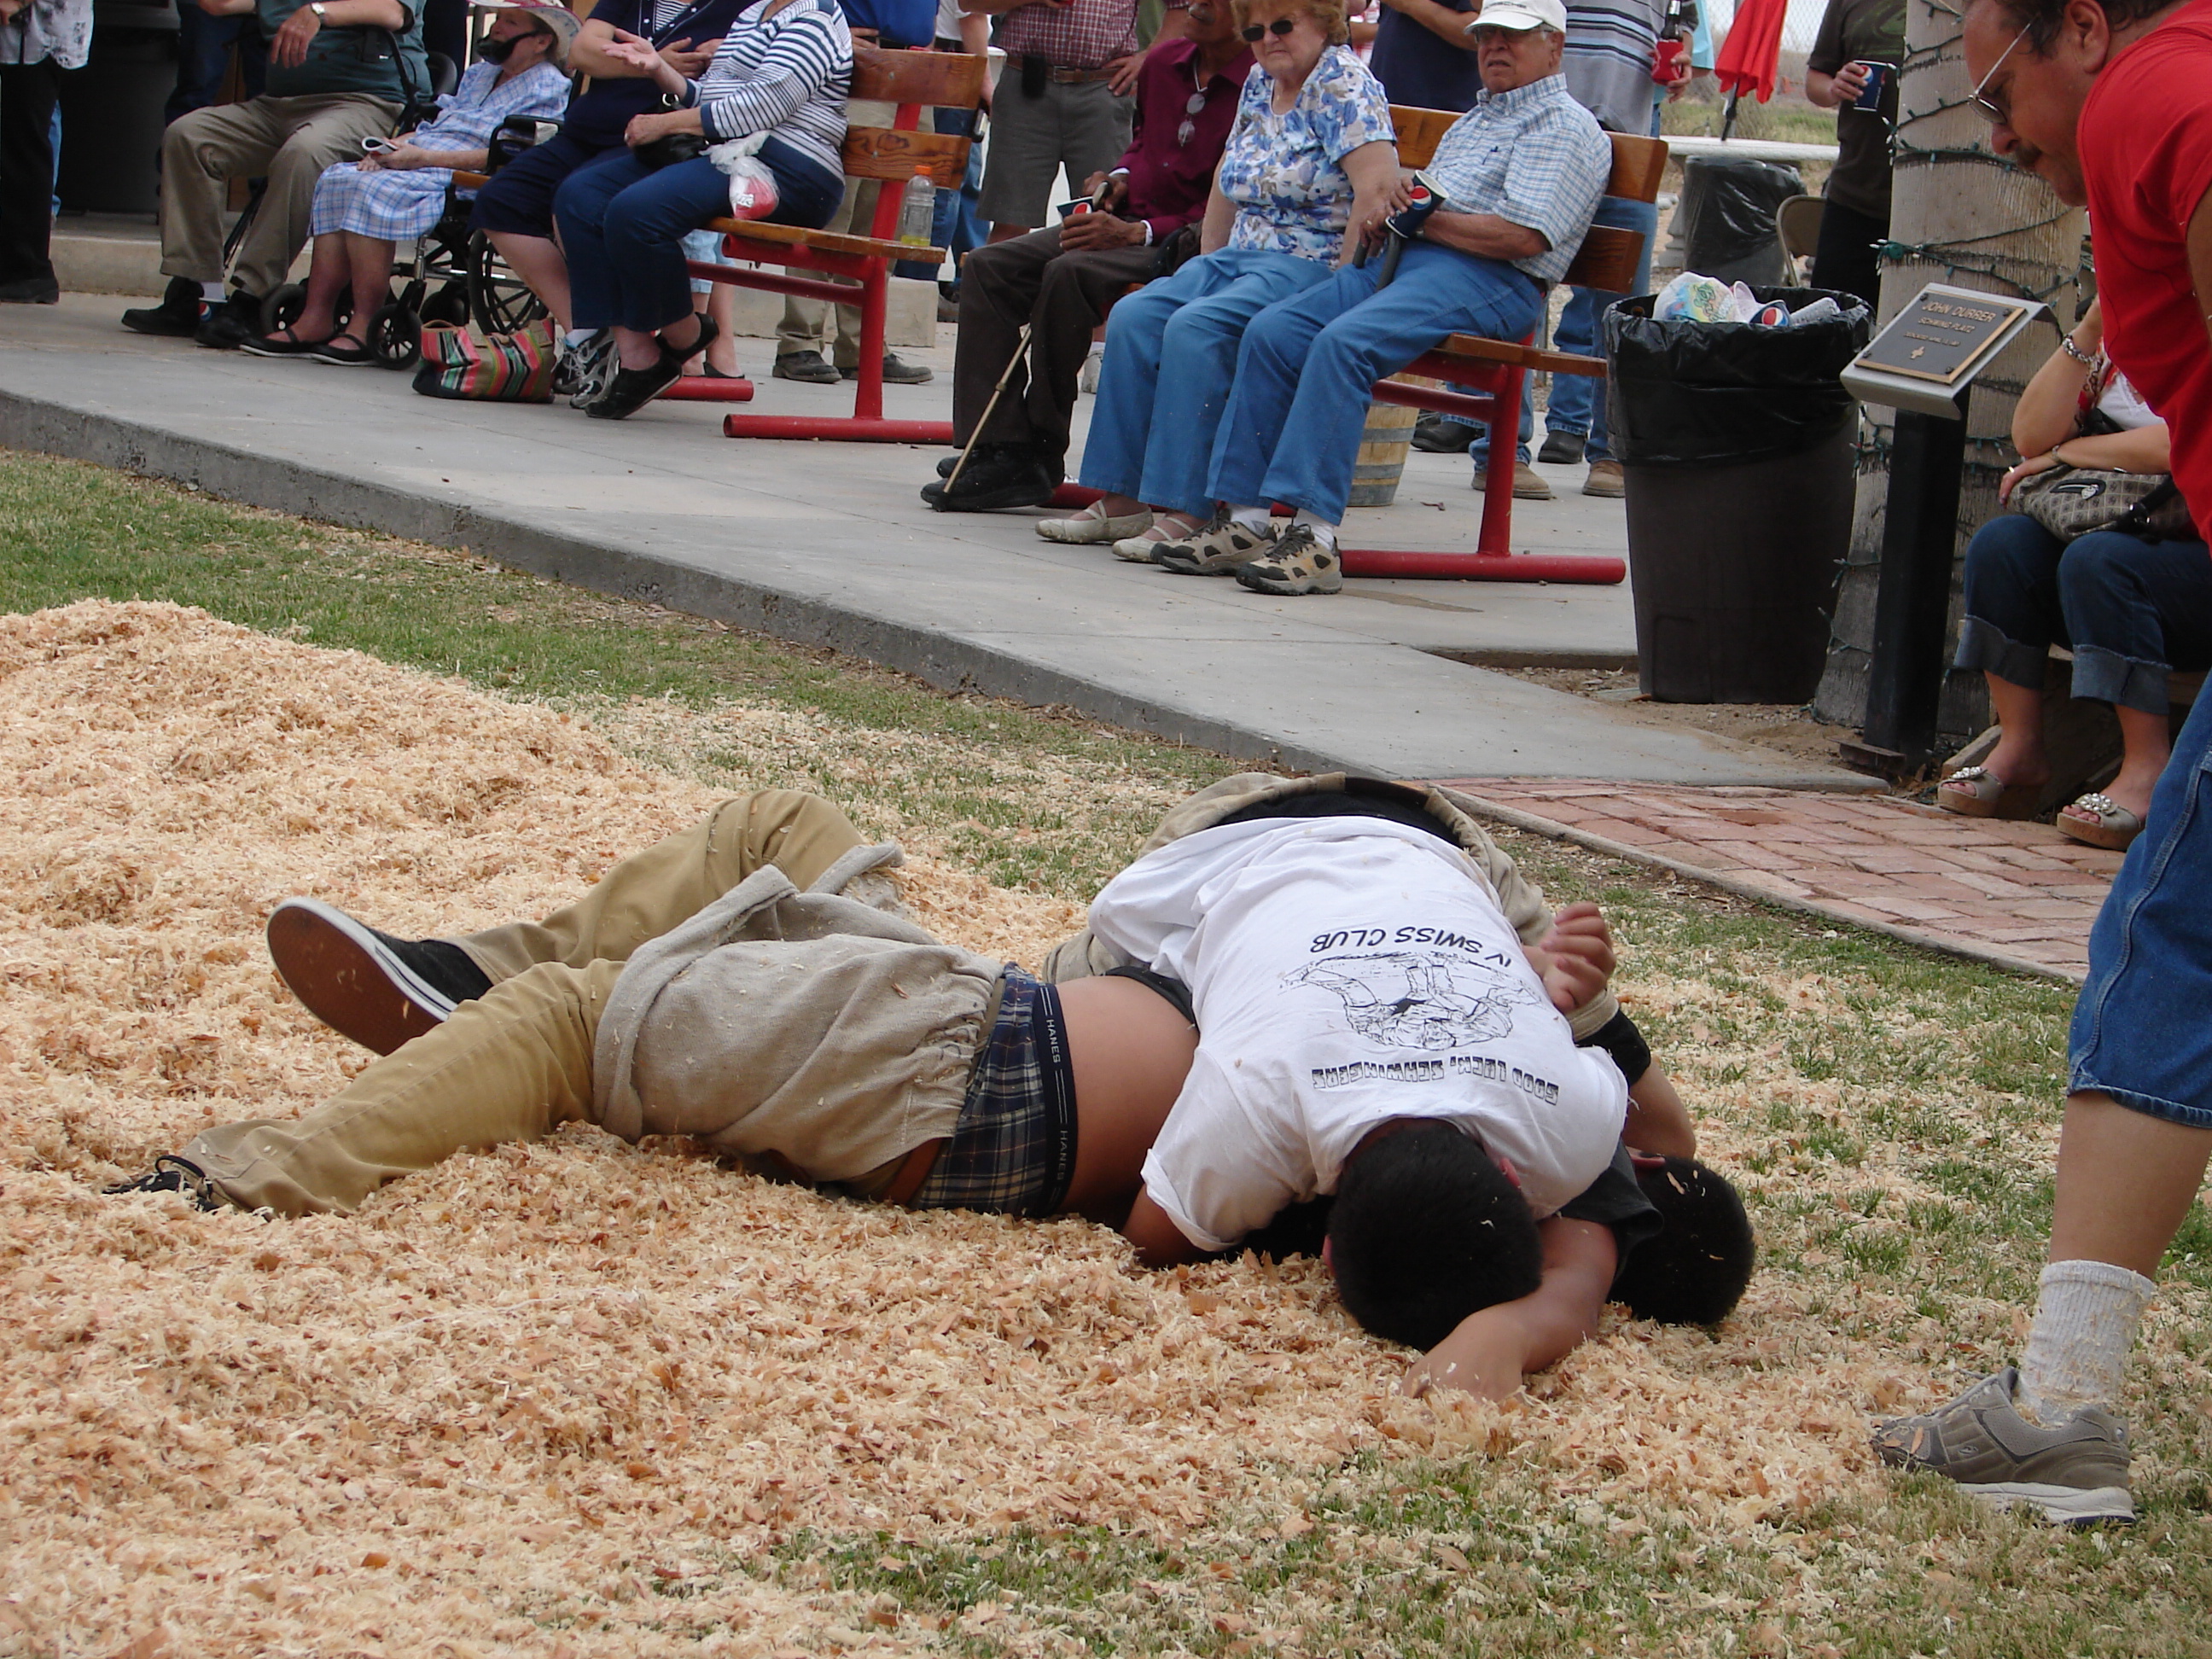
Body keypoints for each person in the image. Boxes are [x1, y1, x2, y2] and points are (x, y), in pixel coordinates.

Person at [109, 777, 1731, 1398]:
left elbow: (1164, 1225)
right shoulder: (1518, 1090)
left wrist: (1560, 1018)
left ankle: (248, 1173)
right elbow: (1613, 1199)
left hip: (959, 1069)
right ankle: (452, 983)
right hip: (980, 1023)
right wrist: (1520, 1319)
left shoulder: (1367, 1051)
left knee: (574, 1025)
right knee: (777, 830)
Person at [1871, 0, 2212, 1527]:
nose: (1997, 135)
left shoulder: (2157, 90)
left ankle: (2064, 1411)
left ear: (2081, 25)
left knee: (2171, 947)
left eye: (2000, 89)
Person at [1131, 0, 1610, 597]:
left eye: (1513, 37)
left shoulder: (1563, 126)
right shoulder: (1479, 117)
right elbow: (1426, 204)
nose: (1494, 48)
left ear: (1555, 46)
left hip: (1490, 278)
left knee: (1344, 344)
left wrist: (1420, 219)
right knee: (1275, 330)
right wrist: (1397, 209)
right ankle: (1246, 520)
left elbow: (1521, 237)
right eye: (1487, 36)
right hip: (1411, 262)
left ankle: (1314, 538)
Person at [1043, 0, 1397, 555]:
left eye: (1283, 26)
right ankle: (1123, 497)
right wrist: (1207, 264)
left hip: (1310, 262)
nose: (1267, 39)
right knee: (1137, 314)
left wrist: (1343, 288)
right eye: (1255, 29)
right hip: (1241, 257)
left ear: (1325, 22)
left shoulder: (1346, 85)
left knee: (1197, 326)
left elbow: (1375, 191)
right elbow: (1226, 182)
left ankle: (1190, 507)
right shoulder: (1260, 80)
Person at [918, 0, 1253, 512]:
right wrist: (1118, 177)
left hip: (1191, 239)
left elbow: (1227, 205)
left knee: (1069, 272)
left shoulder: (1257, 83)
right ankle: (1000, 444)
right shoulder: (1166, 64)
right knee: (990, 265)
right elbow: (1143, 144)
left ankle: (1042, 448)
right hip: (1129, 217)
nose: (1196, 5)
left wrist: (1137, 231)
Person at [1936, 297, 2211, 849]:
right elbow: (2031, 436)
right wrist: (2091, 328)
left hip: (2194, 557)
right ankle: (2021, 747)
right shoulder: (2118, 338)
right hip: (2127, 540)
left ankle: (2147, 770)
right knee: (2002, 546)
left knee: (2099, 560)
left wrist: (2071, 453)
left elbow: (2185, 441)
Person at [550, 0, 850, 420]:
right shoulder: (756, 13)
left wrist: (665, 123)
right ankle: (640, 357)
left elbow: (761, 108)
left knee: (635, 212)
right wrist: (658, 68)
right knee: (581, 195)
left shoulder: (815, 18)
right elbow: (715, 95)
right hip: (731, 152)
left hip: (790, 167)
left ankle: (683, 334)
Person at [242, 0, 573, 364]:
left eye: (510, 22)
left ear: (541, 41)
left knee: (372, 189)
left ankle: (365, 325)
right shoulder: (481, 73)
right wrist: (394, 146)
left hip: (470, 172)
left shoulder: (548, 85)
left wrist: (423, 158)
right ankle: (316, 315)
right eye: (500, 19)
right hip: (426, 152)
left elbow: (517, 154)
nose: (497, 28)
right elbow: (440, 123)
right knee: (339, 178)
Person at [119, 0, 432, 349]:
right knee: (188, 136)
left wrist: (316, 12)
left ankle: (251, 297)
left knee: (304, 152)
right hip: (281, 103)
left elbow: (392, 11)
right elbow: (223, 5)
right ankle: (198, 291)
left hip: (369, 103)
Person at [467, 0, 754, 367]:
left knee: (579, 198)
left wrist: (713, 56)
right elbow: (582, 52)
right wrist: (650, 64)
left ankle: (628, 347)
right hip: (585, 131)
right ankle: (588, 333)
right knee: (500, 198)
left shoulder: (741, 8)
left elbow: (751, 72)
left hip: (653, 142)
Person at [767, 0, 938, 388]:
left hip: (915, 69)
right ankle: (799, 342)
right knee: (831, 214)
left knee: (882, 222)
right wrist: (829, 34)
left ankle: (862, 345)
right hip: (855, 64)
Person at [960, 0, 1190, 247]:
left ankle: (1081, 273)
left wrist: (1149, 57)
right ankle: (999, 272)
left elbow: (1182, 5)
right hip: (1026, 86)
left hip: (1104, 88)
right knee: (1009, 222)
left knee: (1103, 218)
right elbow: (969, 3)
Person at [1802, 0, 1905, 310]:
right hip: (1856, 197)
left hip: (1944, 202)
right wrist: (1834, 87)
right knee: (1833, 322)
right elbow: (1816, 80)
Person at [0, 0, 88, 305]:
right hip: (26, 34)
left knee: (25, 148)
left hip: (37, 32)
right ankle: (19, 266)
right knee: (19, 145)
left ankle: (29, 269)